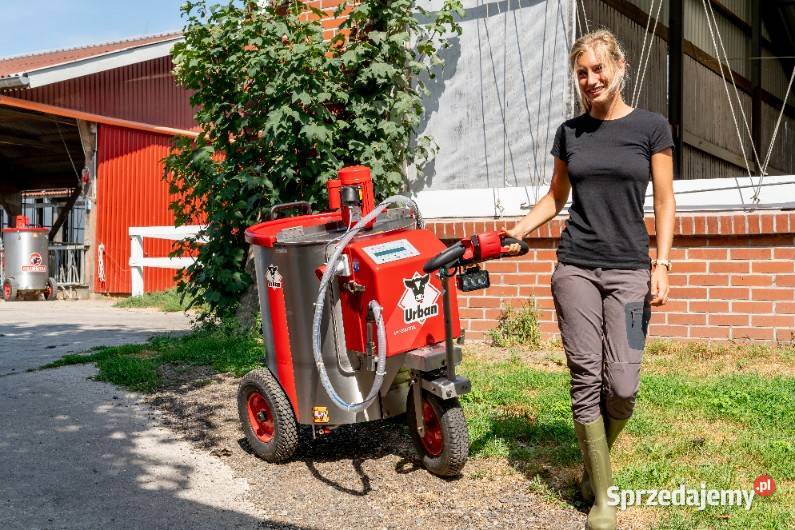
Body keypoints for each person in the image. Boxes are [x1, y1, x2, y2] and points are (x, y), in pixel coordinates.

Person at [504, 29, 675, 530]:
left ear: (619, 67)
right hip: (576, 266)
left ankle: (591, 466)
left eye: (599, 68)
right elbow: (556, 197)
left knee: (622, 384)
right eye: (582, 72)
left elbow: (666, 202)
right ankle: (602, 497)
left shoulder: (651, 128)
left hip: (630, 271)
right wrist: (517, 230)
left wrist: (663, 264)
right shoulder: (570, 133)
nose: (591, 79)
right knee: (585, 376)